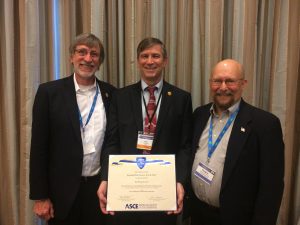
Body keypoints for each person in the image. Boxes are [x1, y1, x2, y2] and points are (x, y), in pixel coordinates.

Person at [97, 37, 192, 225]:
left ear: (165, 61)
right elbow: (112, 142)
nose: (150, 61)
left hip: (163, 194)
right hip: (126, 192)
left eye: (155, 56)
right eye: (145, 56)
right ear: (138, 61)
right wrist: (106, 178)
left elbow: (185, 146)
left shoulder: (181, 98)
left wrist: (179, 181)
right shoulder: (120, 97)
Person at [29, 33, 116, 225]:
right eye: (81, 52)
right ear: (71, 57)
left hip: (100, 190)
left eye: (94, 54)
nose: (87, 58)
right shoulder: (49, 93)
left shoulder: (111, 94)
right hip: (62, 193)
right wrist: (40, 196)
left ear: (99, 61)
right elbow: (38, 148)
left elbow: (114, 141)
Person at [188, 59, 284, 225]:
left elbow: (271, 188)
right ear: (210, 83)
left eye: (230, 81)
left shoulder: (265, 124)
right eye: (217, 81)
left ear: (243, 83)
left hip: (237, 218)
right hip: (198, 215)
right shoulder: (200, 115)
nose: (223, 87)